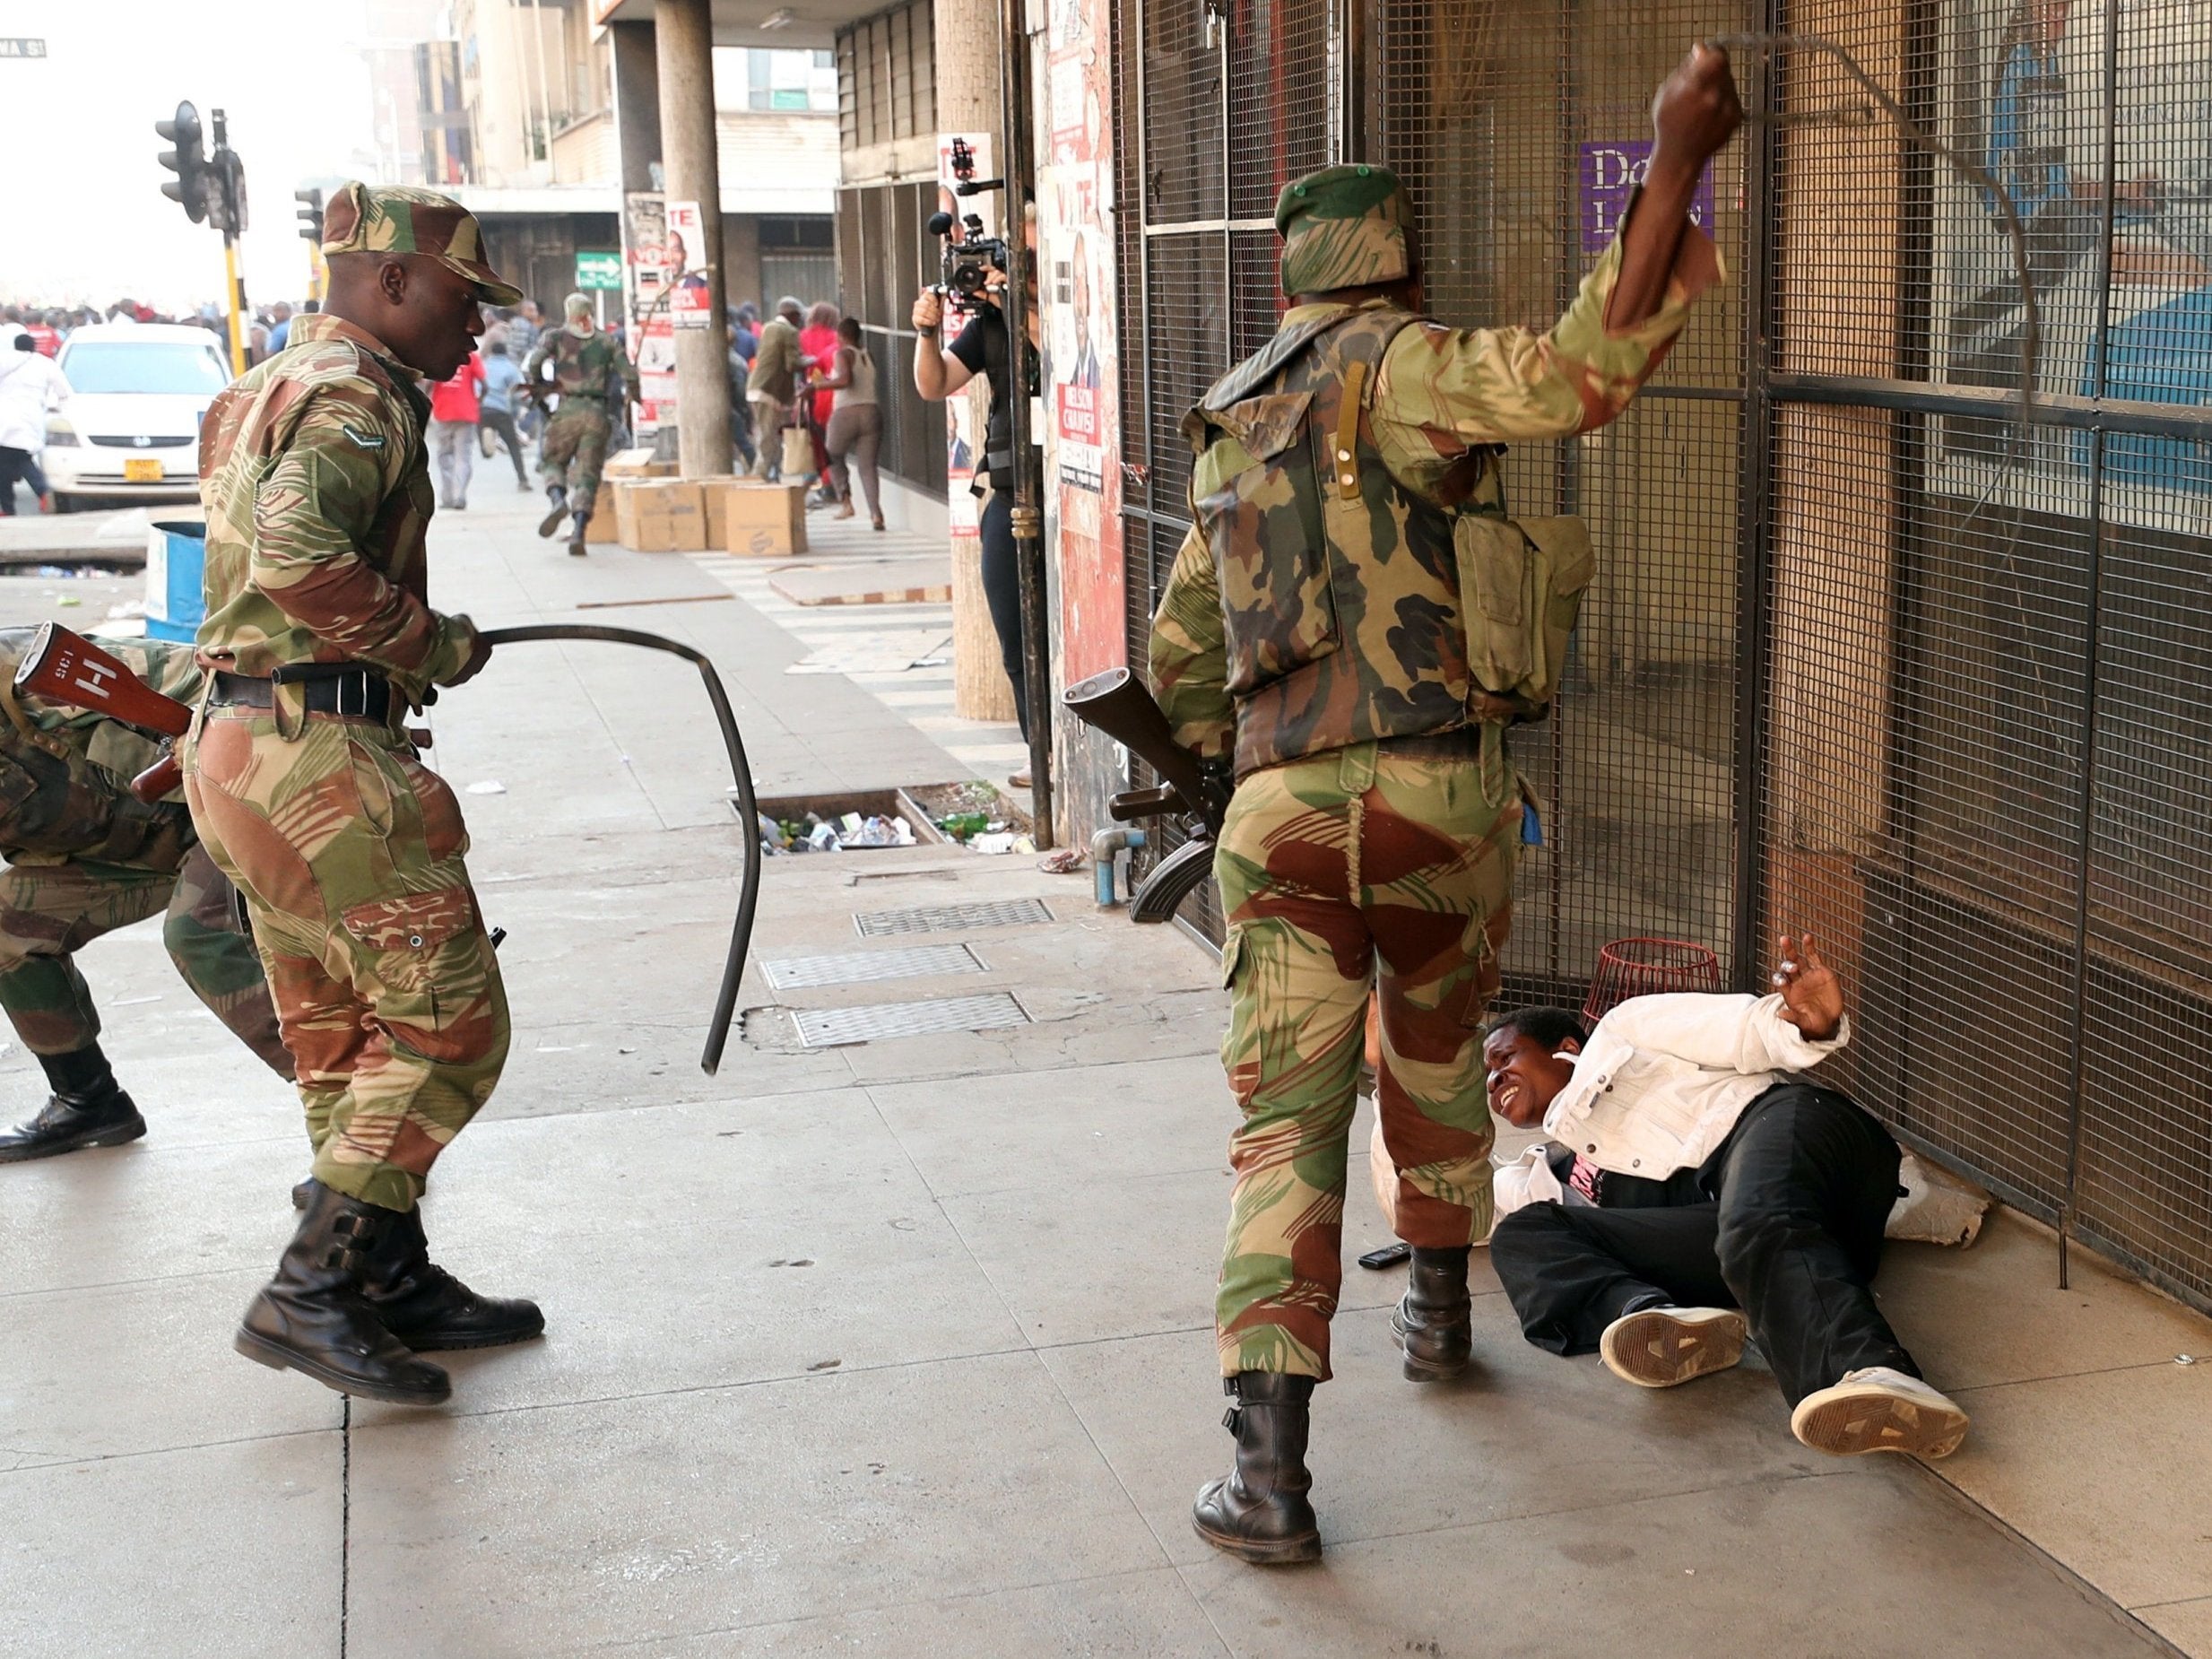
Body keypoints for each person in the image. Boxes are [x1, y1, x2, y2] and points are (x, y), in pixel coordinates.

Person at [1144, 45, 1740, 1566]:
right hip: (1437, 798)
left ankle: (1266, 1479)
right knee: (1434, 1055)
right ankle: (1430, 1318)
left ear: (1286, 280)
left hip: (1278, 816)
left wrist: (1227, 766)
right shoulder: (1405, 369)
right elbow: (1577, 375)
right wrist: (1674, 159)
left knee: (1283, 1129)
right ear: (1393, 263)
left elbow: (1178, 660)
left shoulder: (1230, 420)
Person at [185, 181, 537, 1410]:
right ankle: (310, 1288)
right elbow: (293, 560)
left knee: (344, 1038)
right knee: (447, 1028)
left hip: (243, 742)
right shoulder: (353, 394)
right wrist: (427, 641)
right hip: (320, 756)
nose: (475, 325)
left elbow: (230, 576)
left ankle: (384, 1274)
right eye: (461, 296)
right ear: (389, 280)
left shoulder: (262, 386)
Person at [1480, 934, 1973, 1461]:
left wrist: (1808, 1025)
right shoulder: (1549, 1171)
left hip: (1791, 1133)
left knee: (1757, 1218)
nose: (1495, 1079)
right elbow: (1442, 1200)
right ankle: (1652, 1320)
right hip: (1763, 1246)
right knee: (1522, 1233)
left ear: (1568, 1047)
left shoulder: (1624, 1031)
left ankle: (1876, 1373)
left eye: (1505, 1058)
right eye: (1487, 1079)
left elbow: (1743, 1031)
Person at [0, 630, 291, 1161]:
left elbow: (227, 688)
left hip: (234, 811)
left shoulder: (35, 673)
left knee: (200, 935)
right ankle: (88, 1102)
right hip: (134, 854)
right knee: (6, 930)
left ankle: (362, 1124)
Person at [912, 221, 1044, 781]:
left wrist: (1017, 303)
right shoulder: (991, 324)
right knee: (1015, 638)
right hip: (1008, 494)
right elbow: (933, 384)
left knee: (1059, 638)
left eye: (1028, 257)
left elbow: (1061, 357)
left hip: (1066, 496)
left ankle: (1065, 744)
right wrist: (925, 332)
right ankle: (1039, 752)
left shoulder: (1062, 311)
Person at [524, 292, 639, 555]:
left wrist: (539, 388)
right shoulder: (607, 341)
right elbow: (630, 375)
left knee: (553, 462)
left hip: (567, 410)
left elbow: (533, 363)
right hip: (597, 413)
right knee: (588, 475)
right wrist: (635, 397)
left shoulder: (555, 337)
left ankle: (557, 500)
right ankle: (578, 533)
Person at [815, 317, 884, 529]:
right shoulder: (867, 355)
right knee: (868, 467)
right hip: (872, 412)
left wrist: (818, 385)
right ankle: (876, 514)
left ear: (842, 335)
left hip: (847, 412)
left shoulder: (842, 354)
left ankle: (845, 501)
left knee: (831, 455)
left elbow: (845, 380)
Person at [0, 330, 69, 515]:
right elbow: (63, 391)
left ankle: (12, 505)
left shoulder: (4, 361)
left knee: (8, 462)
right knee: (18, 458)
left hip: (4, 417)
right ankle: (39, 494)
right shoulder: (45, 364)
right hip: (31, 417)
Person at [746, 296, 806, 481]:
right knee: (769, 438)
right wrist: (810, 360)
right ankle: (759, 478)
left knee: (768, 435)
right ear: (793, 315)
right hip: (770, 392)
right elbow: (792, 364)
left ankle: (771, 475)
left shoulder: (769, 327)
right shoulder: (789, 331)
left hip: (756, 388)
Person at [427, 346, 487, 509]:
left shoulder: (439, 356)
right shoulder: (471, 357)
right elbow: (484, 383)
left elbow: (429, 383)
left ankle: (447, 498)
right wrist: (478, 401)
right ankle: (459, 495)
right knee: (463, 455)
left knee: (445, 455)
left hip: (444, 411)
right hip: (467, 412)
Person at [799, 301, 841, 497]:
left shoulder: (802, 336)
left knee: (814, 439)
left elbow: (807, 366)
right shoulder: (834, 338)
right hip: (832, 391)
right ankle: (827, 483)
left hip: (809, 391)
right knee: (830, 439)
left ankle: (810, 479)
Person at [477, 338, 528, 488]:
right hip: (501, 410)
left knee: (484, 443)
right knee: (513, 445)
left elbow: (476, 387)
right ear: (506, 353)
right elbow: (520, 390)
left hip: (483, 408)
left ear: (492, 353)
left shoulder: (484, 366)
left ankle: (487, 445)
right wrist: (519, 407)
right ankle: (522, 479)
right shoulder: (511, 368)